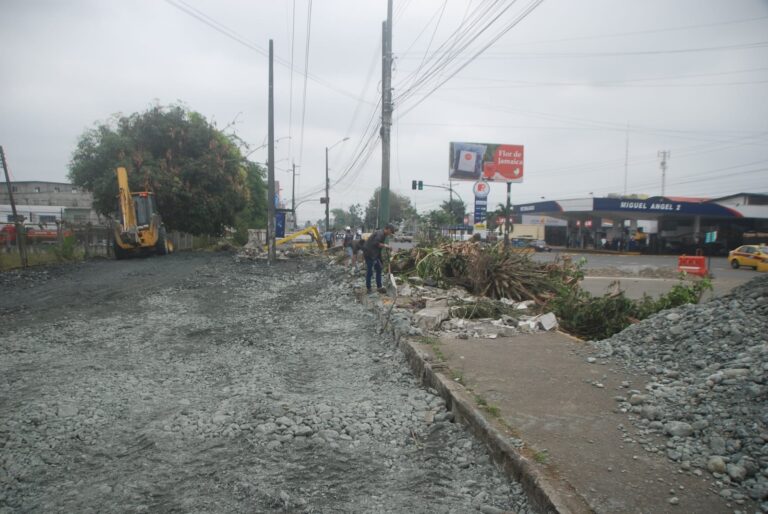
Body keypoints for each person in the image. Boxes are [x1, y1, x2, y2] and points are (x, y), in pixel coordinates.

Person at [363, 223, 396, 294]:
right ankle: (368, 288)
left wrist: (380, 258)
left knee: (379, 268)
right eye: (391, 232)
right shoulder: (380, 233)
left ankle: (379, 287)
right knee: (370, 271)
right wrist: (385, 245)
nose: (390, 234)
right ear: (388, 229)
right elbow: (376, 243)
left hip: (375, 253)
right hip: (369, 253)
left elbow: (377, 247)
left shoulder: (383, 234)